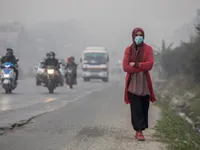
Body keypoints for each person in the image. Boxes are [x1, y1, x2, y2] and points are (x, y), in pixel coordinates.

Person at [122, 27, 156, 141]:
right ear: (133, 36)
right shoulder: (128, 50)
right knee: (136, 108)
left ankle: (141, 128)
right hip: (132, 84)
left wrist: (136, 65)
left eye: (141, 35)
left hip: (144, 83)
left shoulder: (148, 49)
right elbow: (125, 67)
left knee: (144, 107)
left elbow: (150, 65)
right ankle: (139, 131)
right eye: (137, 35)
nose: (139, 37)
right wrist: (141, 66)